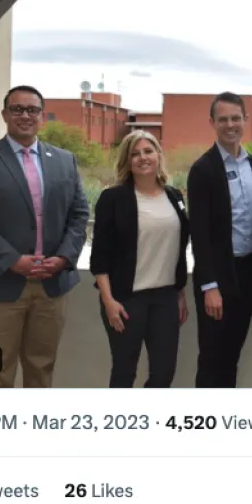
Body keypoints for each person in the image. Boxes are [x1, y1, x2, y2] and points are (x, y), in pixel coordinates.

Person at [0, 86, 89, 388]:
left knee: (42, 369)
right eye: (17, 109)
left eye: (32, 110)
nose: (25, 116)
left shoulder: (65, 160)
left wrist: (64, 258)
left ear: (42, 116)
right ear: (4, 114)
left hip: (51, 286)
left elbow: (79, 214)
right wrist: (13, 260)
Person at [90, 130, 189, 388]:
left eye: (148, 151)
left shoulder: (174, 196)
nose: (142, 158)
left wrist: (179, 294)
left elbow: (176, 248)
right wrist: (109, 301)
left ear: (158, 155)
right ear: (127, 160)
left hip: (165, 299)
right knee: (124, 372)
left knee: (163, 374)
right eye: (135, 153)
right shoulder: (113, 199)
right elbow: (99, 257)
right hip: (125, 299)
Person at [187, 92, 252, 387]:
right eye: (223, 119)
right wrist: (210, 286)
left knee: (232, 356)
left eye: (235, 118)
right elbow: (200, 234)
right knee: (212, 358)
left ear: (245, 120)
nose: (230, 125)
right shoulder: (203, 170)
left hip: (245, 275)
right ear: (212, 123)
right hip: (217, 278)